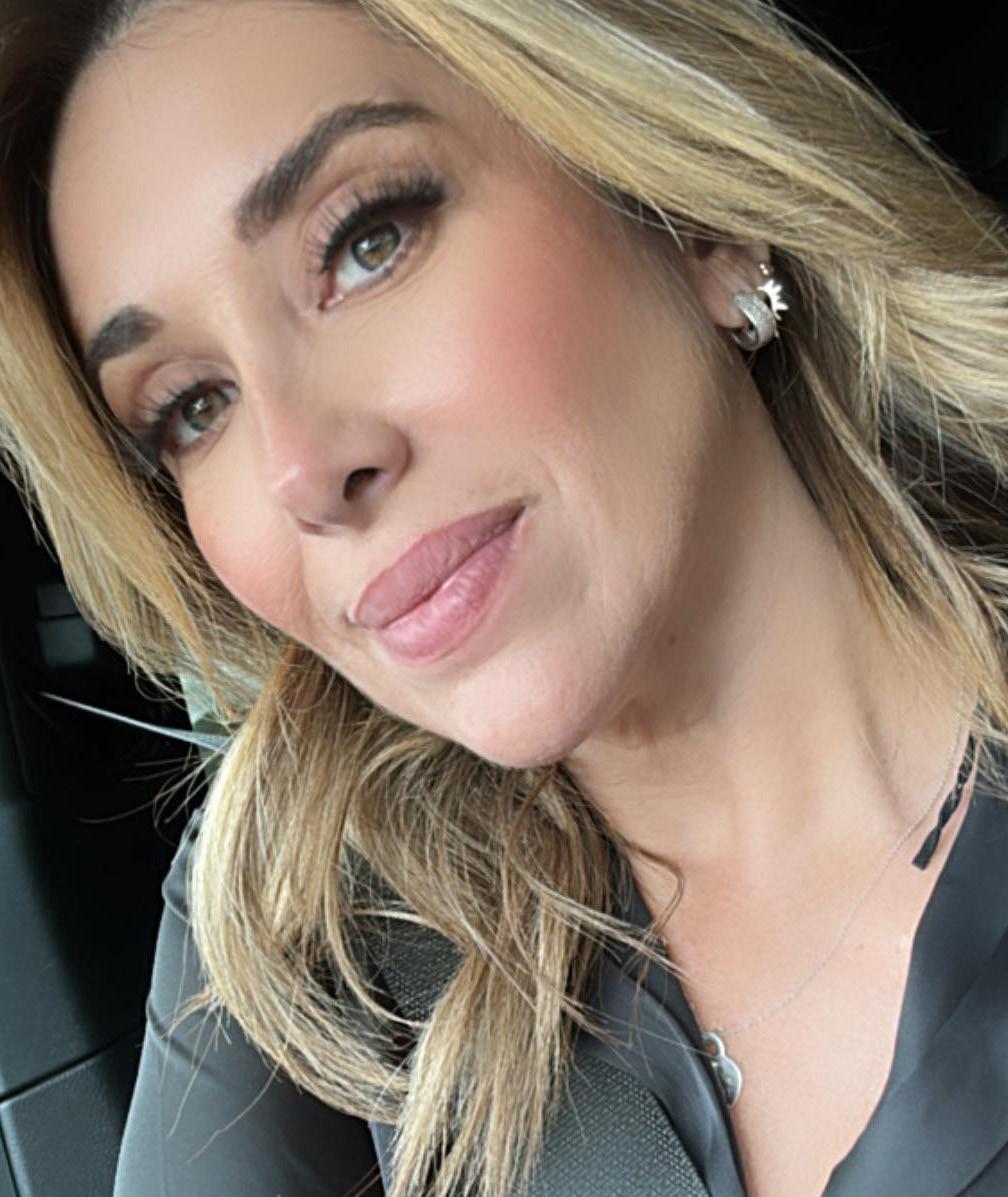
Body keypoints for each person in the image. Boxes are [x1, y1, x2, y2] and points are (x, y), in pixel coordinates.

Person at [1, 0, 1007, 1194]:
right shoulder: (306, 914)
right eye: (193, 407)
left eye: (368, 242)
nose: (301, 471)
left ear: (685, 209)